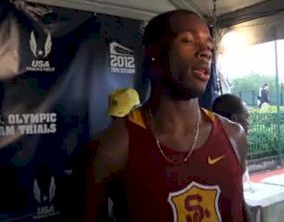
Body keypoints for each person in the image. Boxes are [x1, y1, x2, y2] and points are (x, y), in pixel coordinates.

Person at [77, 9, 249, 222]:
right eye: (188, 40)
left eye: (209, 46)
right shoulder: (113, 147)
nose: (205, 52)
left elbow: (240, 208)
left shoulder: (234, 136)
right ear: (154, 53)